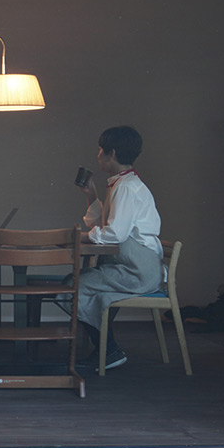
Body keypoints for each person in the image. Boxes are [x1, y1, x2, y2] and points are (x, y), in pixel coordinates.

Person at [75, 125, 163, 370]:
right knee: (82, 283)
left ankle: (109, 350)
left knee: (75, 285)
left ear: (111, 153)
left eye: (100, 150)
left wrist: (84, 237)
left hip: (137, 271)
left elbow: (115, 234)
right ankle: (105, 348)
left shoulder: (125, 187)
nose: (98, 155)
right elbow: (108, 226)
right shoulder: (123, 184)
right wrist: (91, 194)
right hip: (136, 267)